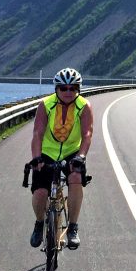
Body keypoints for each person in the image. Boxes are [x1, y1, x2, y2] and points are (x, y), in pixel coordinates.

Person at [29, 67, 94, 250]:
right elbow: (37, 134)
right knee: (41, 192)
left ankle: (73, 227)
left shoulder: (83, 106)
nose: (68, 92)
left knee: (74, 179)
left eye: (72, 88)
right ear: (56, 89)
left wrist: (81, 156)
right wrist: (36, 158)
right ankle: (39, 223)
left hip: (72, 153)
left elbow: (87, 134)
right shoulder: (45, 105)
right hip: (47, 153)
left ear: (78, 89)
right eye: (63, 88)